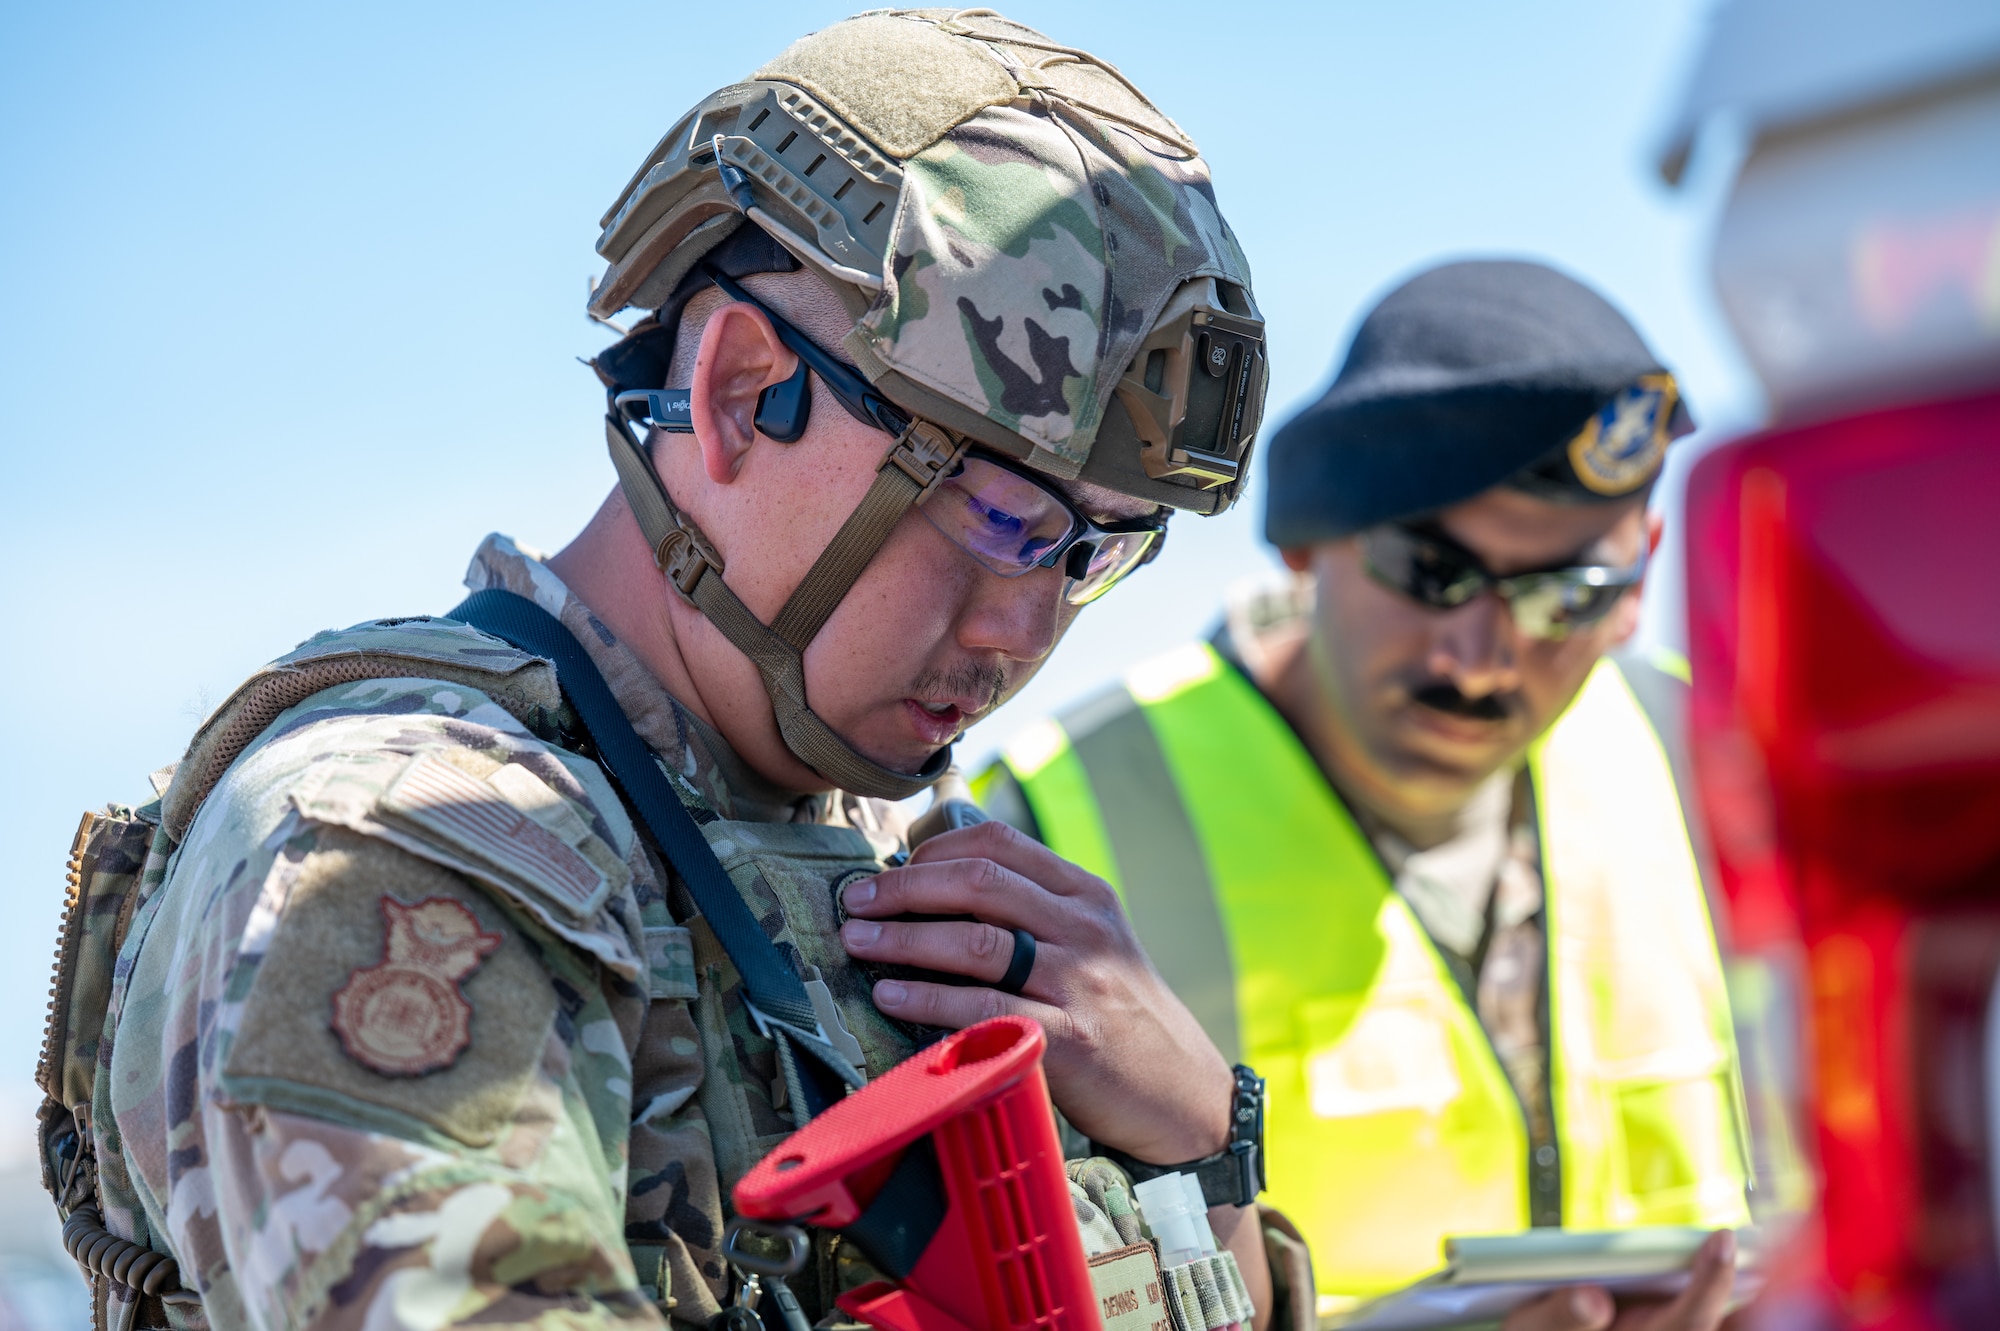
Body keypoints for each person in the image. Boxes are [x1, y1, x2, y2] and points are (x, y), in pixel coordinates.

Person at [74, 12, 1307, 1331]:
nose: (1024, 625)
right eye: (994, 512)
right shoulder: (404, 842)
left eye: (1093, 550)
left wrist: (1202, 1145)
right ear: (738, 389)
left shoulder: (884, 849)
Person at [978, 261, 1752, 1330]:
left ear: (1640, 578)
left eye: (1562, 594)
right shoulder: (1044, 818)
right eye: (1429, 572)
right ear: (1304, 539)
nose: (1480, 658)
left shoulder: (1727, 767)